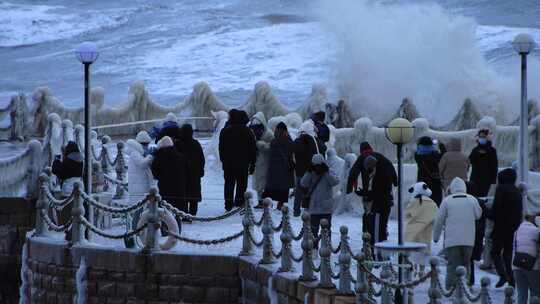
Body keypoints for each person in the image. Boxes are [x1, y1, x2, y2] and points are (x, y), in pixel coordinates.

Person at [433, 177, 482, 290]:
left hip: (452, 241)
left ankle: (450, 289)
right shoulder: (472, 200)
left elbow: (439, 220)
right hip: (469, 240)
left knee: (452, 266)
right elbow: (478, 214)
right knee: (466, 265)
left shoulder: (447, 201)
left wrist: (435, 237)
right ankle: (466, 288)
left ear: (452, 189)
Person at [355, 154, 397, 248]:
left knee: (378, 231)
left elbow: (379, 193)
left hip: (380, 207)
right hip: (380, 205)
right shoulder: (378, 172)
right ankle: (376, 250)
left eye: (368, 168)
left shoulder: (381, 175)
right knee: (378, 229)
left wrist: (365, 194)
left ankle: (377, 251)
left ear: (372, 166)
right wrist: (365, 193)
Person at [490, 168, 523, 288]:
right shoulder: (516, 191)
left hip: (500, 227)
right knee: (508, 254)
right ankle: (511, 278)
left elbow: (495, 211)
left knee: (495, 252)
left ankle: (503, 275)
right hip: (514, 227)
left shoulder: (501, 189)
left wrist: (483, 208)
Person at [219, 109, 257, 211]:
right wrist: (253, 163)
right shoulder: (248, 131)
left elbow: (221, 148)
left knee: (229, 183)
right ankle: (239, 203)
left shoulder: (225, 130)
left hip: (229, 164)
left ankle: (228, 204)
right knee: (241, 184)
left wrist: (223, 161)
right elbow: (253, 149)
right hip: (243, 164)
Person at [300, 154, 339, 248]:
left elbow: (335, 181)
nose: (317, 168)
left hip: (325, 207)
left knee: (326, 230)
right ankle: (314, 247)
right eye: (315, 166)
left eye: (319, 166)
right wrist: (309, 172)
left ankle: (326, 247)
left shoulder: (328, 172)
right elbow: (303, 183)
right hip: (314, 207)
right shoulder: (311, 173)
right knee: (313, 230)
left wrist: (326, 172)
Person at [292, 120, 326, 216]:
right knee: (311, 191)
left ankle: (296, 211)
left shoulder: (297, 141)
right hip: (310, 171)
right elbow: (323, 148)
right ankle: (309, 210)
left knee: (298, 191)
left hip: (299, 170)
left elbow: (292, 153)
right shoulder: (314, 141)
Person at [405, 182, 438, 275]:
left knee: (412, 252)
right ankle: (422, 271)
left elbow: (407, 215)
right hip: (426, 232)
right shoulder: (432, 203)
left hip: (412, 231)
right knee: (423, 253)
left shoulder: (412, 202)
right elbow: (436, 217)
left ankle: (413, 269)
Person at [151, 136, 189, 217]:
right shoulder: (180, 156)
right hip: (178, 185)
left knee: (166, 206)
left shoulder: (159, 157)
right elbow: (186, 170)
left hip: (165, 185)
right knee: (178, 207)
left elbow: (155, 171)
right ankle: (178, 222)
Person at [263, 122, 294, 211]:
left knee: (270, 187)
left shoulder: (274, 141)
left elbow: (271, 153)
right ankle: (280, 205)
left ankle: (267, 204)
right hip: (286, 168)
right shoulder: (289, 140)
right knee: (283, 188)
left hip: (274, 168)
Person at [176, 124, 205, 217]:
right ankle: (193, 214)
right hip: (194, 174)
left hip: (181, 174)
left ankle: (184, 214)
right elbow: (201, 159)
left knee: (183, 193)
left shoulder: (177, 144)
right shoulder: (196, 144)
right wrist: (200, 170)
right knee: (193, 195)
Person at [52, 141, 83, 224]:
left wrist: (56, 161)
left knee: (67, 211)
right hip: (79, 186)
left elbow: (58, 171)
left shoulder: (68, 160)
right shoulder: (81, 159)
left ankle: (65, 225)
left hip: (67, 188)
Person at [513, 214, 540, 304]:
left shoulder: (517, 231)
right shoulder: (536, 231)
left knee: (521, 294)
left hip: (517, 266)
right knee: (535, 293)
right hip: (533, 267)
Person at [249, 112, 274, 208]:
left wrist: (260, 144)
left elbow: (272, 147)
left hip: (265, 162)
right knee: (257, 183)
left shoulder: (269, 134)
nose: (255, 128)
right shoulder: (253, 133)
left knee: (265, 183)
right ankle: (260, 201)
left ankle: (266, 201)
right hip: (257, 161)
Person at [415, 136, 445, 205]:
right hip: (435, 184)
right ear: (431, 144)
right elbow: (444, 154)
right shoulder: (436, 155)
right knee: (436, 205)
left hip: (422, 185)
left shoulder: (418, 156)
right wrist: (440, 144)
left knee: (423, 205)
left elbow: (417, 148)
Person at [469, 129, 498, 198]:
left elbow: (494, 165)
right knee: (475, 197)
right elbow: (470, 160)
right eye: (480, 137)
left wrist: (493, 179)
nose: (482, 138)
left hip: (486, 179)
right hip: (475, 179)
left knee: (484, 198)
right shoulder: (475, 149)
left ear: (487, 138)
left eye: (483, 137)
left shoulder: (492, 150)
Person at [126, 139, 154, 204]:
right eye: (145, 144)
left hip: (137, 183)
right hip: (139, 185)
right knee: (139, 203)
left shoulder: (135, 153)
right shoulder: (135, 153)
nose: (146, 146)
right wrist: (150, 156)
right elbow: (142, 164)